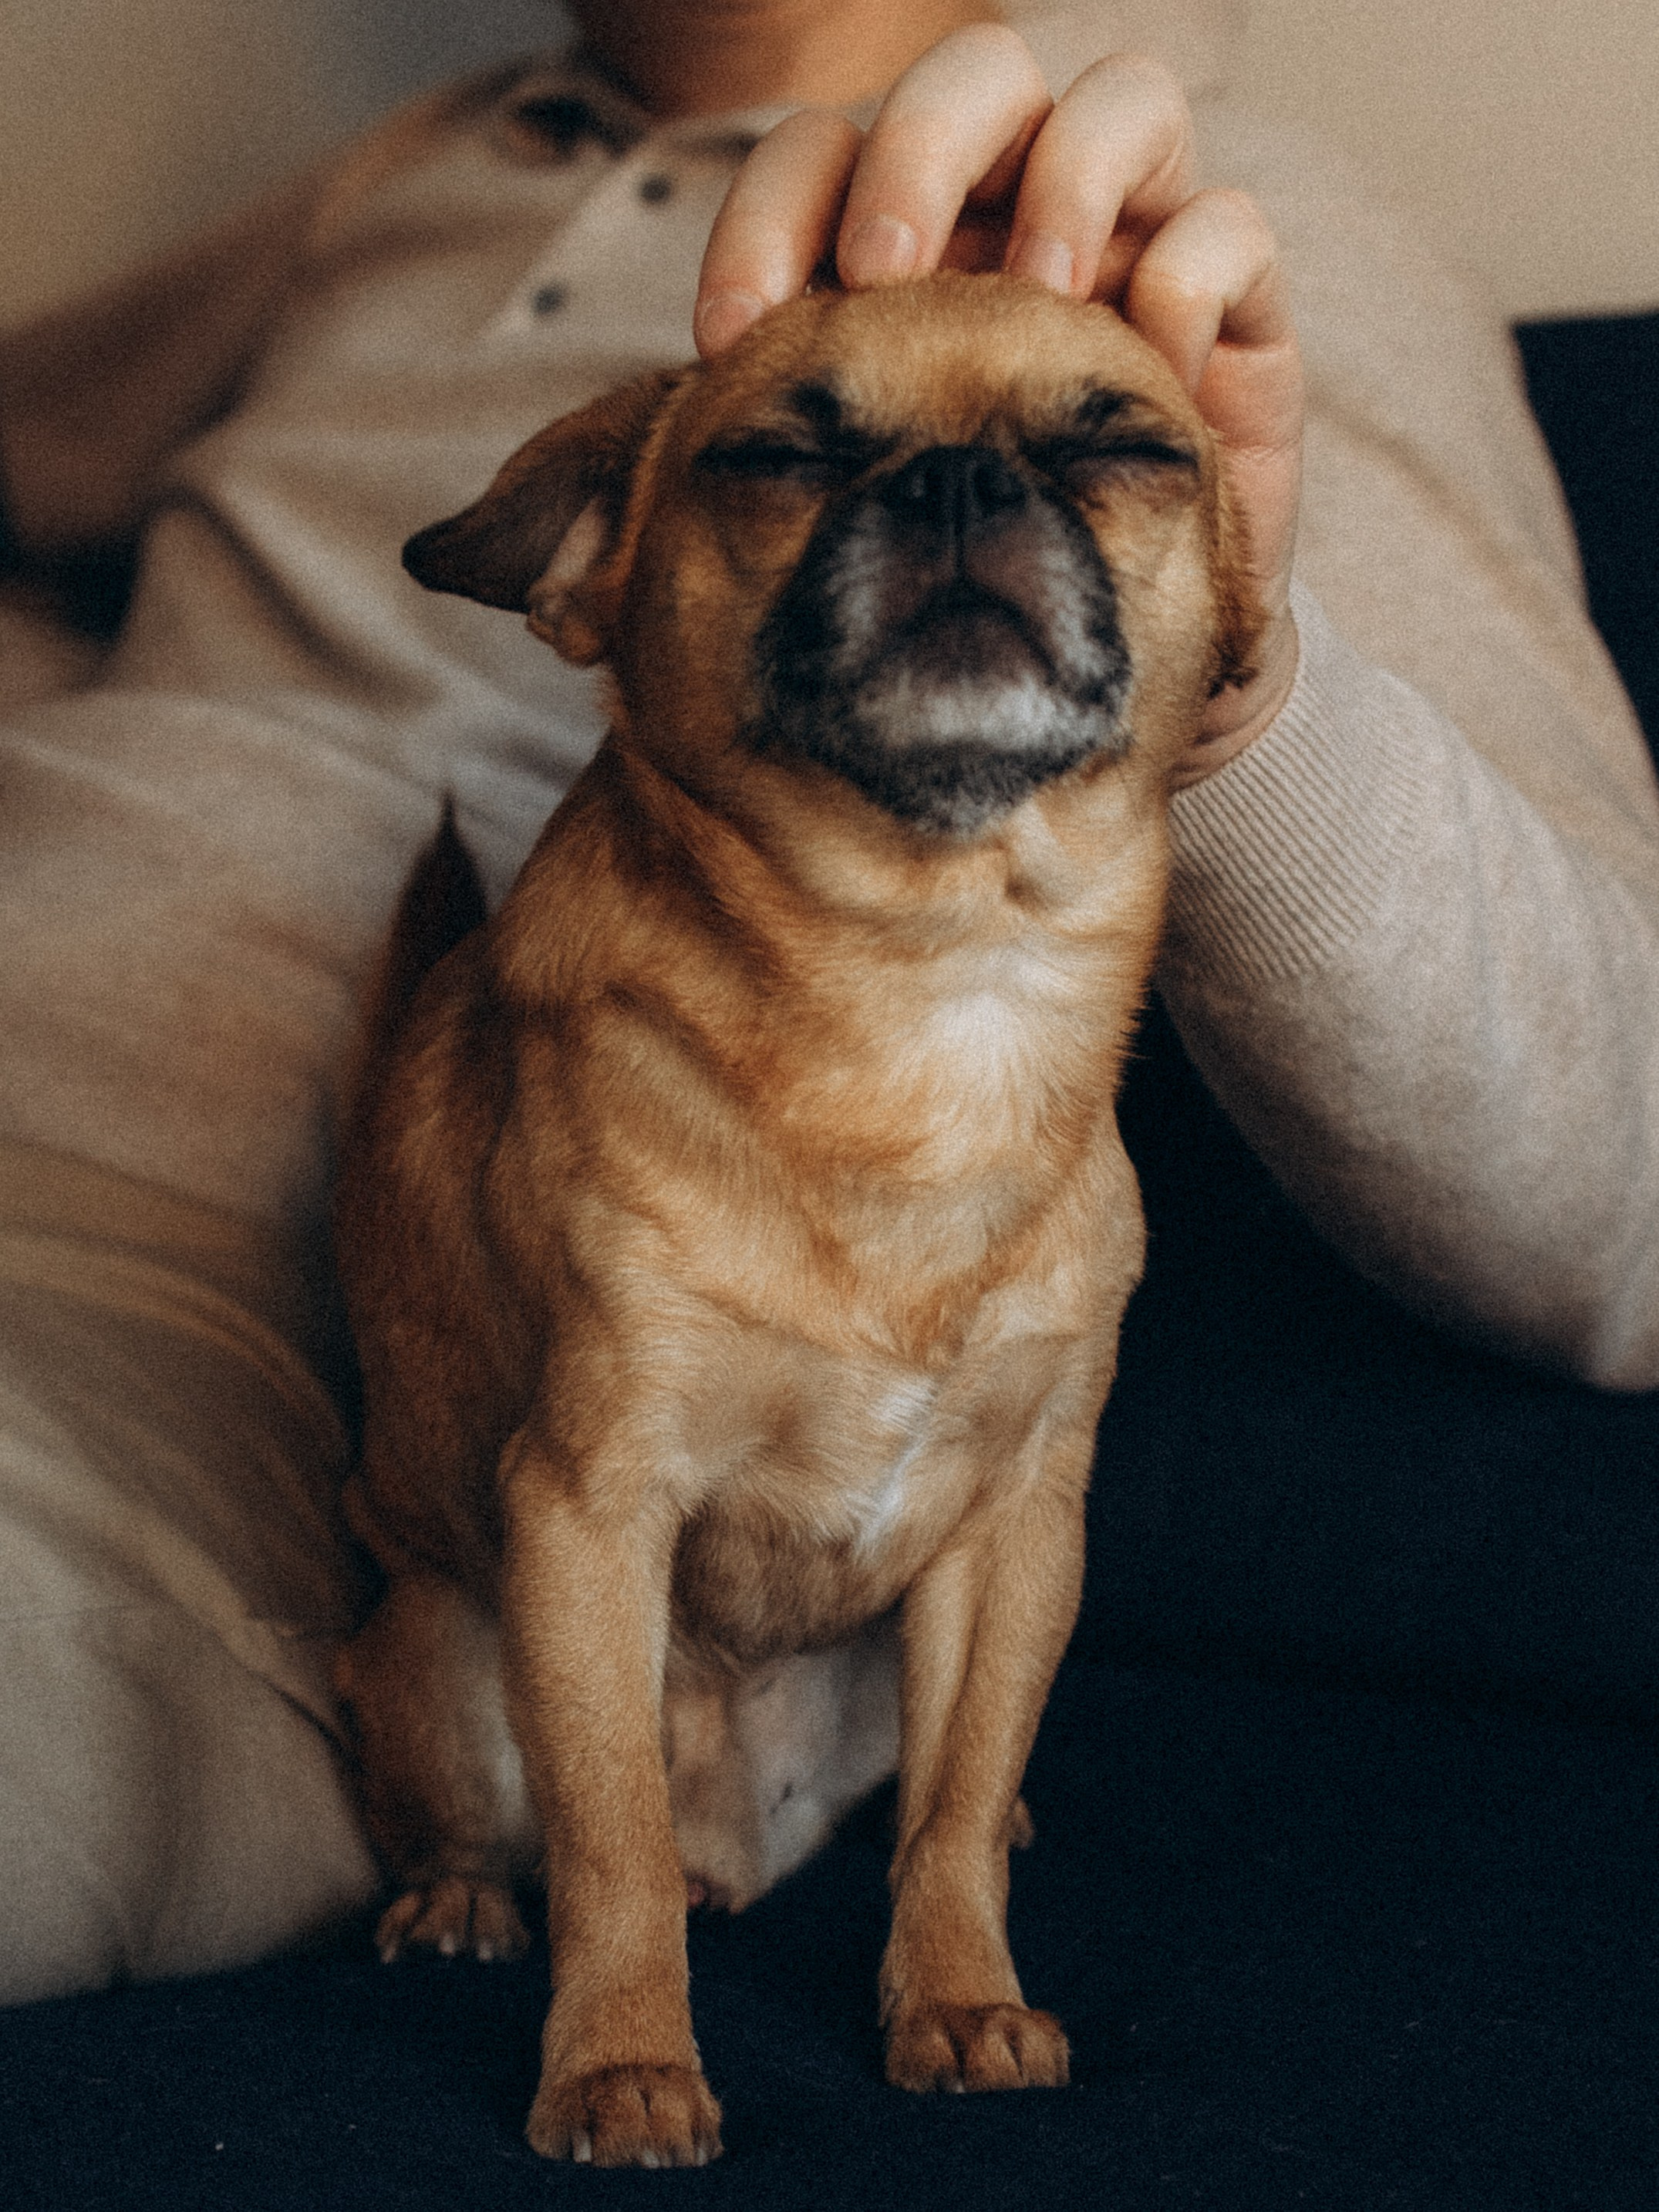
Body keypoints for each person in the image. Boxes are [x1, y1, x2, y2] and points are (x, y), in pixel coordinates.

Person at [0, 0, 1654, 2005]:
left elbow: (1628, 1196)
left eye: (1098, 452)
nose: (969, 494)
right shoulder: (420, 167)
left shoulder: (1217, 246)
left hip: (209, 1342)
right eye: (793, 456)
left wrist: (1247, 689)